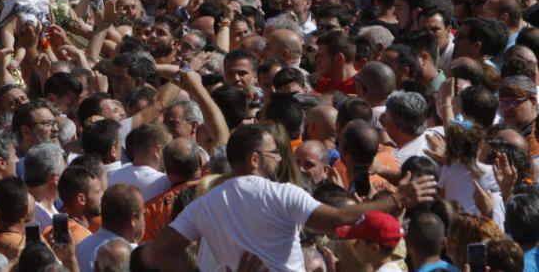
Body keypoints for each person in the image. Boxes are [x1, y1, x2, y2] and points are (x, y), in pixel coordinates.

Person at [145, 124, 436, 272]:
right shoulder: (280, 194)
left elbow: (162, 250)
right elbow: (336, 221)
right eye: (275, 154)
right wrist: (397, 199)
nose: (280, 161)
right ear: (255, 160)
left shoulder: (204, 203)